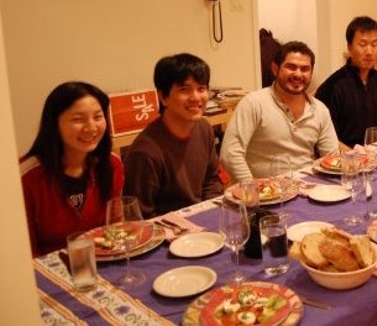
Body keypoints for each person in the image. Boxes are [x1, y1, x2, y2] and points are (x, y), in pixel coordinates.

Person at [20, 82, 124, 257]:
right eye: (78, 119)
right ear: (54, 123)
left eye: (98, 117)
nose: (91, 127)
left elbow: (115, 228)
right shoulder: (27, 178)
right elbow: (25, 252)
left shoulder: (111, 165)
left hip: (102, 263)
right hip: (47, 273)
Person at [220, 41, 339, 181]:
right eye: (291, 67)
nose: (298, 74)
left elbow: (331, 157)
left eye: (305, 69)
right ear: (275, 69)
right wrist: (252, 188)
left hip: (308, 189)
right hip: (264, 194)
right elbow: (230, 154)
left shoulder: (320, 110)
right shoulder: (253, 103)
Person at [123, 53, 223, 218]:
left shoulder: (204, 128)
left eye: (201, 88)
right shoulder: (145, 152)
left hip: (202, 224)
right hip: (166, 234)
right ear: (163, 97)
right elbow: (140, 216)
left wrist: (210, 216)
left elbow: (211, 181)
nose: (196, 97)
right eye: (184, 89)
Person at [315, 16, 377, 149]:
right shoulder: (334, 86)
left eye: (374, 45)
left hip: (374, 157)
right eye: (362, 45)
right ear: (349, 47)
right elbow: (324, 138)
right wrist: (355, 157)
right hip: (342, 161)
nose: (369, 51)